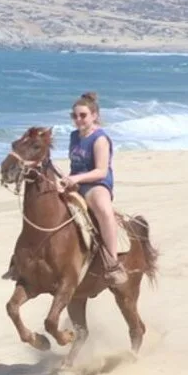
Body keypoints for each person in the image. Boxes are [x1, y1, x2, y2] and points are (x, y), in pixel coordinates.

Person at [59, 92, 128, 287]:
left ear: (94, 115)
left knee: (104, 210)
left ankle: (113, 263)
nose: (78, 120)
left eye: (83, 115)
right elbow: (75, 165)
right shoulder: (74, 136)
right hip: (76, 182)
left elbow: (100, 170)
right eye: (75, 116)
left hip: (96, 184)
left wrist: (76, 178)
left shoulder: (100, 139)